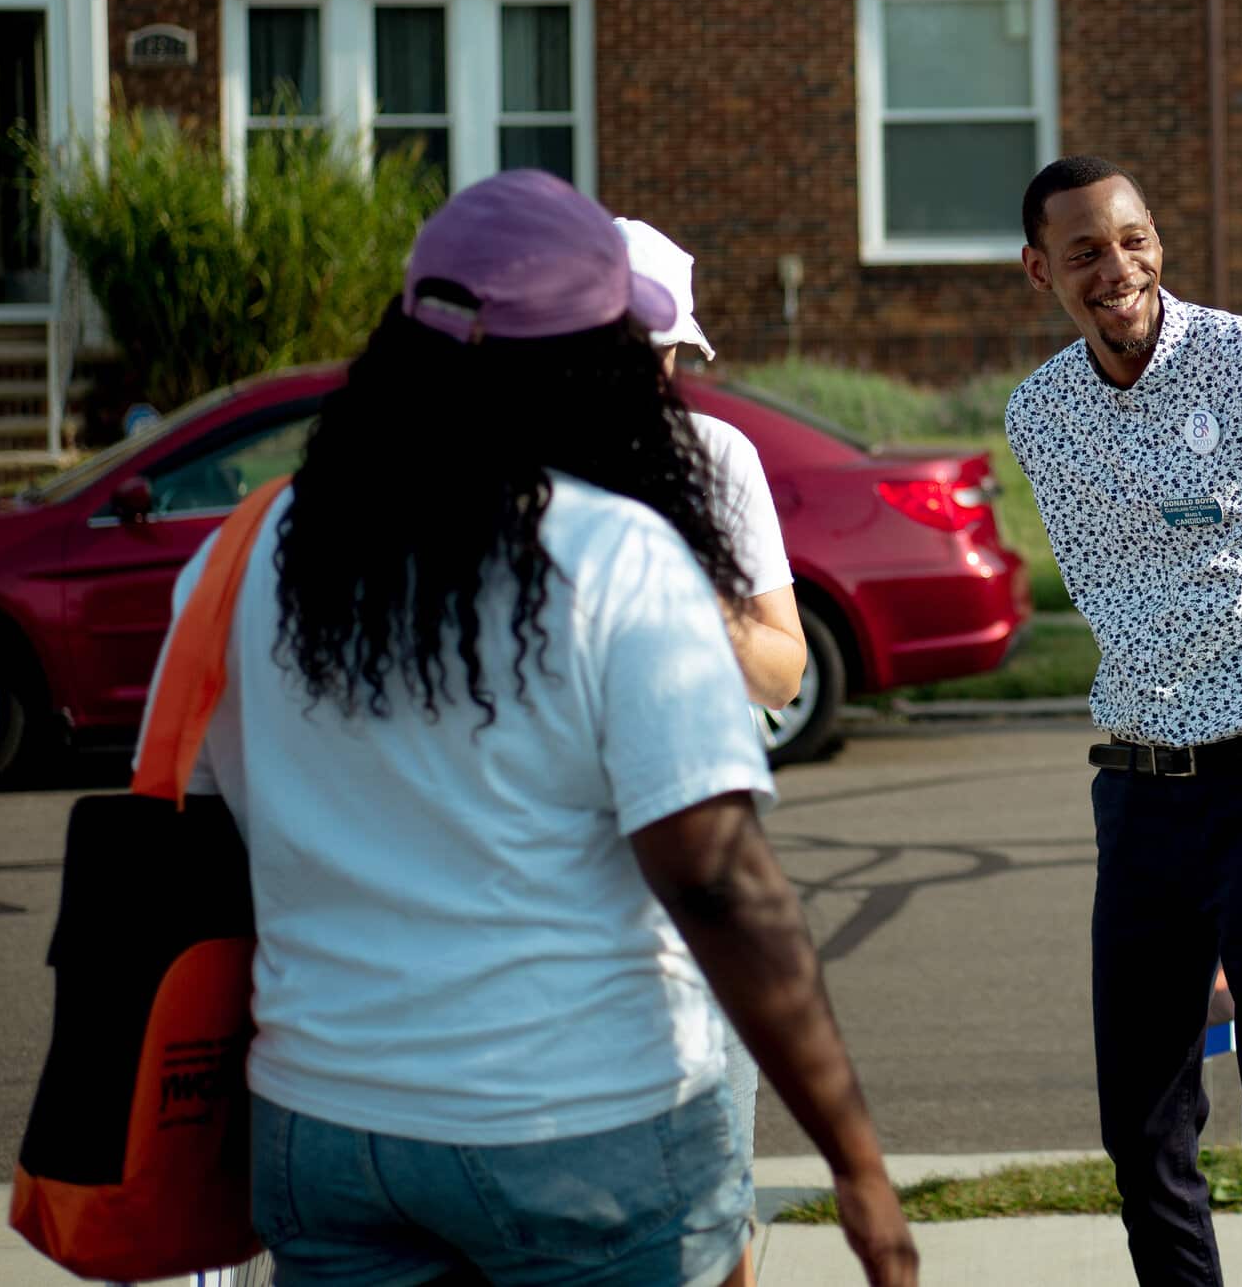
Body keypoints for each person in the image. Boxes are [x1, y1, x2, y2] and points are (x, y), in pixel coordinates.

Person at [164, 171, 915, 1287]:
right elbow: (716, 884)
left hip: (323, 1131)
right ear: (598, 357)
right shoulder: (614, 554)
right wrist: (856, 1158)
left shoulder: (245, 551)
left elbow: (209, 856)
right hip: (577, 1129)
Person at [1003, 155, 1242, 1287]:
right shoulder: (1042, 413)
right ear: (1042, 270)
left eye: (1132, 238)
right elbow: (1112, 596)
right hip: (1136, 799)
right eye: (1082, 251)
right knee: (1144, 1128)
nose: (1115, 268)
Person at [618, 214, 810, 1225]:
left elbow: (784, 666)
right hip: (551, 881)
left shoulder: (715, 458)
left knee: (709, 1185)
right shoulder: (493, 478)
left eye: (662, 356)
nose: (650, 377)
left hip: (699, 862)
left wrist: (664, 586)